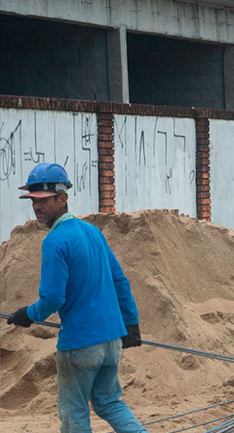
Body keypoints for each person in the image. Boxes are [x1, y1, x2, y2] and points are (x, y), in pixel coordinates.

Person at [6, 162, 148, 433]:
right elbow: (120, 281)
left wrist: (28, 314)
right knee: (109, 403)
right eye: (33, 201)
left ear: (63, 199)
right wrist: (130, 322)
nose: (37, 207)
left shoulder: (55, 241)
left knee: (74, 414)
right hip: (111, 342)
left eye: (43, 201)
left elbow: (52, 299)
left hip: (80, 344)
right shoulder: (93, 232)